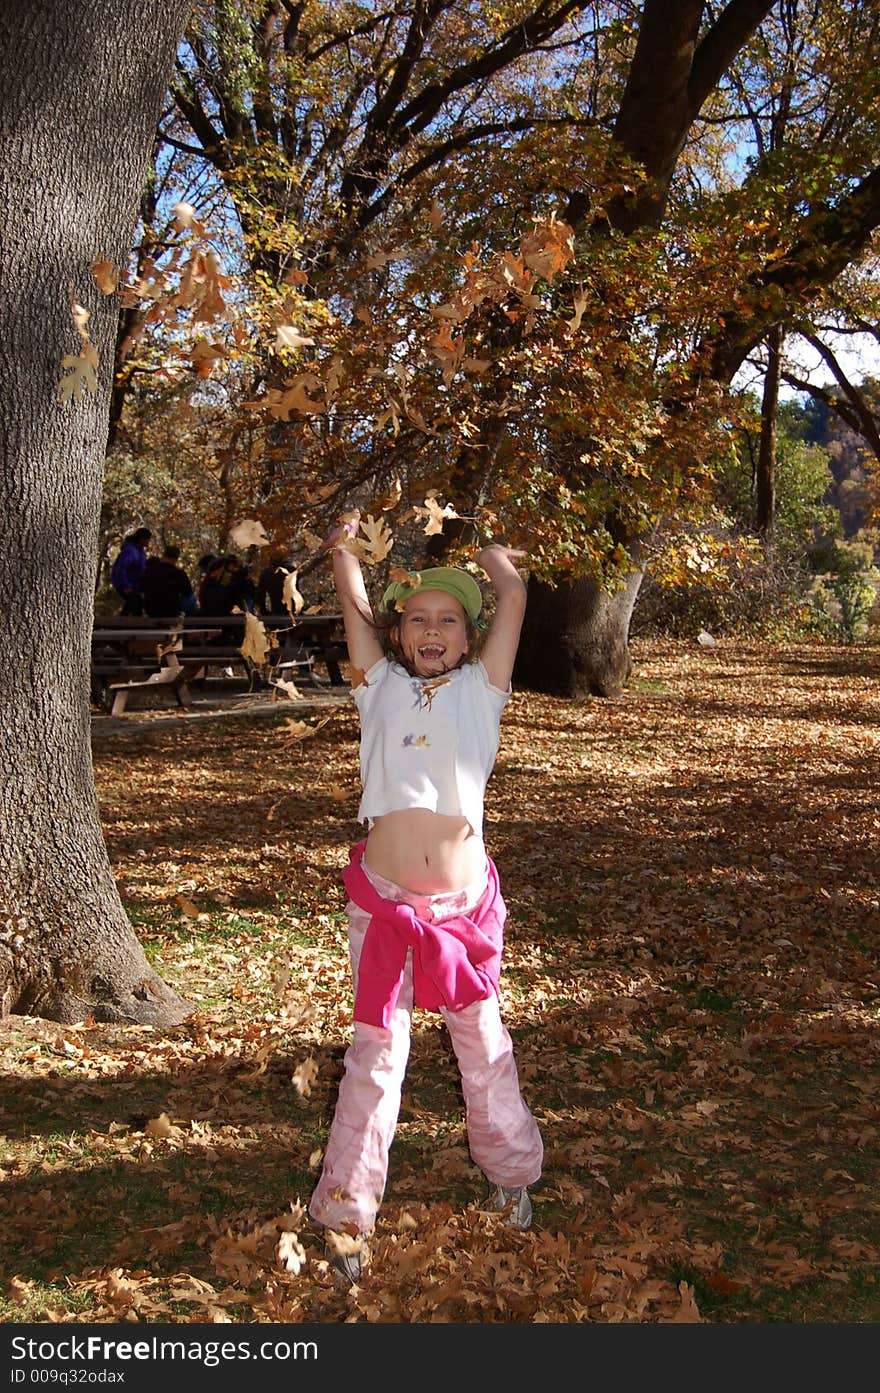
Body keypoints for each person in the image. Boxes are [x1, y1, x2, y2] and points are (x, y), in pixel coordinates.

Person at [308, 527, 543, 1284]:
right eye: (417, 618)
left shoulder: (484, 689)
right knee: (377, 1057)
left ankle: (511, 1173)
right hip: (383, 910)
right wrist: (345, 551)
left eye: (448, 620)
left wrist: (484, 550)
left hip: (462, 913)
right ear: (396, 630)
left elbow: (513, 594)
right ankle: (347, 1209)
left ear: (467, 636)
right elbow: (352, 602)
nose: (432, 630)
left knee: (482, 1042)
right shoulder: (378, 687)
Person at [142, 544, 197, 618]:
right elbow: (187, 593)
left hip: (151, 609)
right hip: (171, 610)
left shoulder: (149, 571)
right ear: (176, 559)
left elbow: (142, 588)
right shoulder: (179, 573)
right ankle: (190, 622)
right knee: (192, 598)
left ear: (164, 555)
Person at [109, 527, 151, 616]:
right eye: (147, 539)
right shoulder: (130, 551)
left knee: (137, 604)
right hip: (125, 584)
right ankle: (120, 622)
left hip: (135, 585)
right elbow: (121, 568)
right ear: (142, 539)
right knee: (135, 601)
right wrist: (126, 586)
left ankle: (130, 622)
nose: (148, 542)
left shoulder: (140, 552)